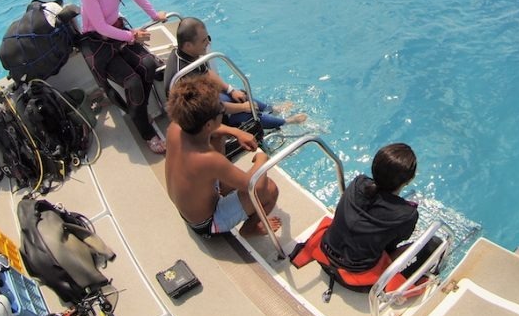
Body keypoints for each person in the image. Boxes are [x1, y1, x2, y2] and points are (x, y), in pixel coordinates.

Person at [165, 74, 281, 237]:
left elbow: (212, 130)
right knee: (269, 188)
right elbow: (253, 185)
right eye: (221, 109)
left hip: (188, 208)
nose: (223, 110)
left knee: (218, 137)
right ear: (209, 124)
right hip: (206, 224)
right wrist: (262, 158)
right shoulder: (209, 160)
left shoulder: (175, 128)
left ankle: (222, 193)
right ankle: (250, 229)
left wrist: (234, 131)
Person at [79, 0, 168, 154]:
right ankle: (144, 129)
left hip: (118, 31)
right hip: (98, 41)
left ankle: (136, 111)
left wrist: (154, 15)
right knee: (133, 81)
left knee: (147, 65)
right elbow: (100, 27)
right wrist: (131, 36)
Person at [321, 143, 441, 277]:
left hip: (326, 250)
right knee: (435, 244)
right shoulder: (407, 215)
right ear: (409, 180)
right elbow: (390, 247)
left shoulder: (358, 182)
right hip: (357, 271)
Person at [163, 17, 306, 129]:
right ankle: (286, 122)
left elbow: (207, 73)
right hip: (198, 118)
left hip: (207, 101)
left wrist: (231, 90)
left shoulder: (187, 54)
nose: (208, 43)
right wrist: (242, 108)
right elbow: (214, 107)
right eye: (204, 40)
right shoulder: (185, 76)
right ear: (188, 45)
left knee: (241, 95)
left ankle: (272, 109)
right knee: (249, 115)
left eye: (208, 38)